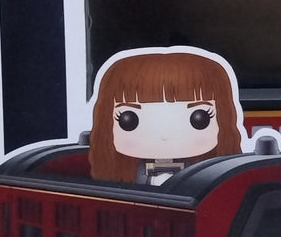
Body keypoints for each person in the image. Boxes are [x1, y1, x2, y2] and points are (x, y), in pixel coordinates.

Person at [88, 48, 244, 184]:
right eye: (128, 120)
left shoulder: (199, 170)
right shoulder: (136, 170)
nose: (164, 135)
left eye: (199, 118)